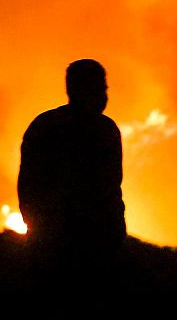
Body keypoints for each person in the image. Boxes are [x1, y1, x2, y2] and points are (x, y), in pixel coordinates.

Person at [17, 59, 126, 275]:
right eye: (100, 87)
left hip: (67, 245)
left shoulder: (44, 126)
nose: (104, 95)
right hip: (72, 248)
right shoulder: (103, 132)